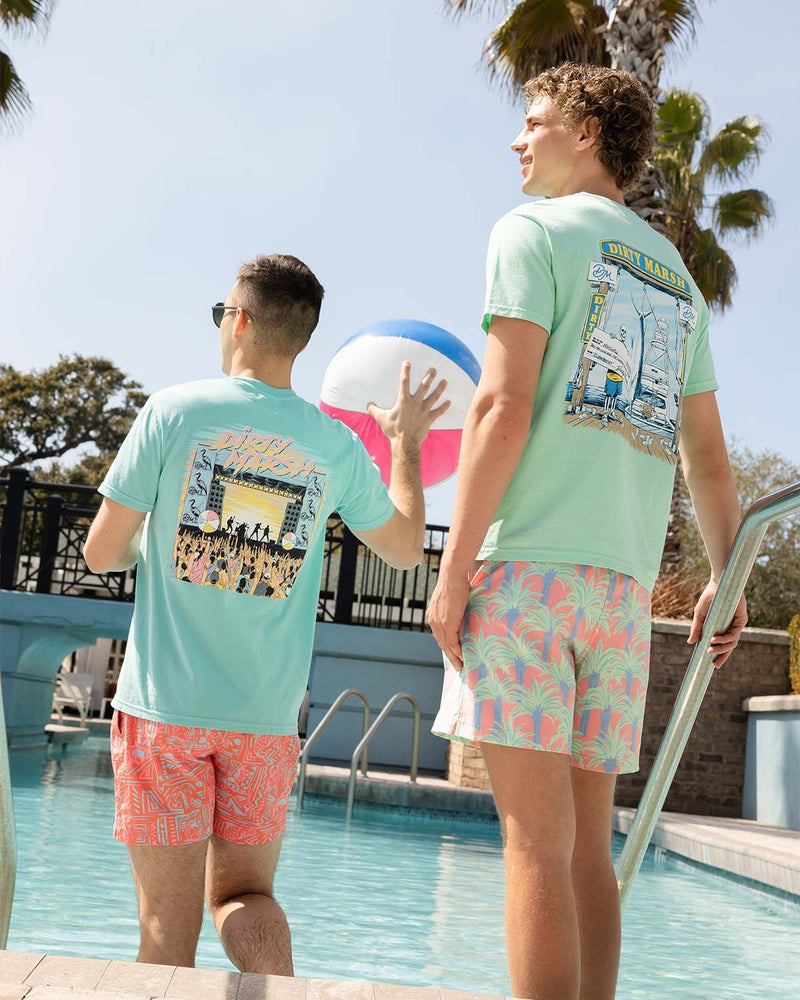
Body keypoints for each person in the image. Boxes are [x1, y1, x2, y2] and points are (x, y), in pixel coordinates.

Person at [426, 63, 748, 1000]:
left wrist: (453, 570)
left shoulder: (529, 230)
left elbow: (503, 403)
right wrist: (726, 590)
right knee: (585, 852)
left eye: (534, 121)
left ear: (588, 134)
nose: (517, 139)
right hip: (620, 599)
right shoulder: (678, 277)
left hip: (526, 576)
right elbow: (712, 461)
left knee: (532, 846)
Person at [83, 253, 449, 974]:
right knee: (247, 896)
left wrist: (146, 553)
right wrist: (405, 446)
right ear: (303, 339)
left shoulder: (175, 411)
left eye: (221, 312)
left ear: (240, 320)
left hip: (165, 713)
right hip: (265, 722)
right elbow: (407, 548)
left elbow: (99, 552)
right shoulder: (334, 445)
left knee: (166, 925)